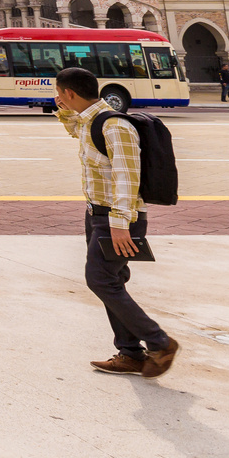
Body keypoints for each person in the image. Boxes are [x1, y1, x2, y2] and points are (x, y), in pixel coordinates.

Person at [54, 66, 178, 377]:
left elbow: (127, 177)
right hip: (96, 214)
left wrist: (120, 222)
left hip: (116, 218)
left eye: (60, 94)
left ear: (69, 92)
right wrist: (67, 114)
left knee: (101, 279)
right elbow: (79, 133)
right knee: (114, 280)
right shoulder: (90, 122)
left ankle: (159, 343)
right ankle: (131, 354)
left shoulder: (114, 126)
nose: (58, 99)